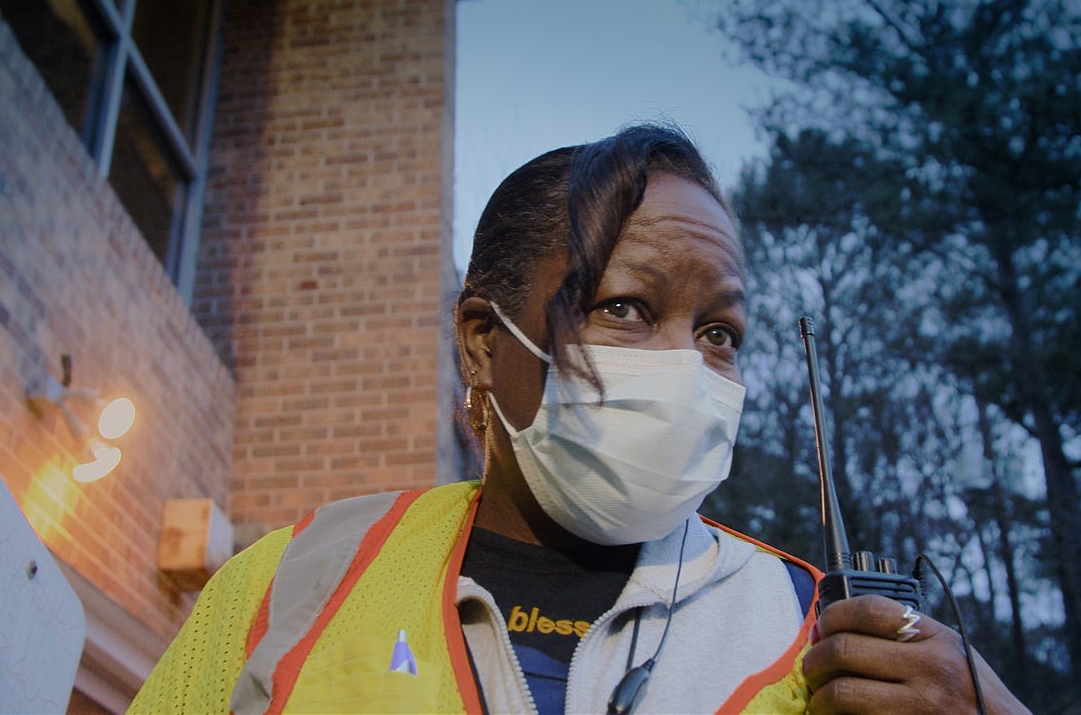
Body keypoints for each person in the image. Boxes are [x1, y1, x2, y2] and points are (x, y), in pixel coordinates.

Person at [128, 124, 1030, 714]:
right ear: (483, 340)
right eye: (627, 307)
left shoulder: (825, 641)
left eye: (719, 331)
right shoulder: (289, 586)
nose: (688, 365)